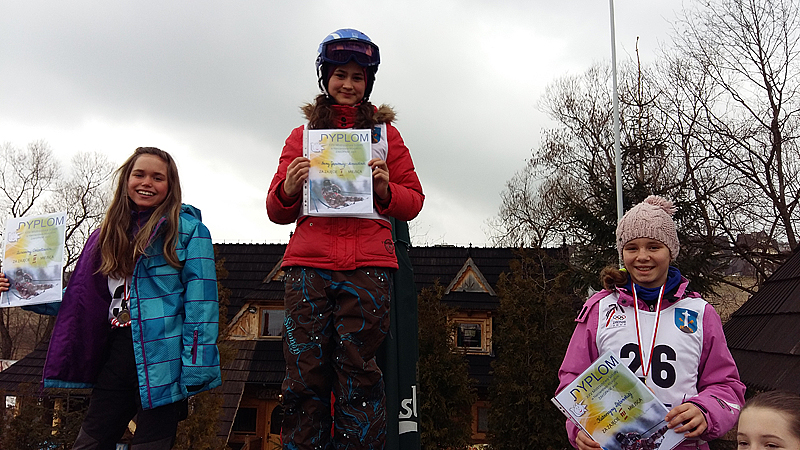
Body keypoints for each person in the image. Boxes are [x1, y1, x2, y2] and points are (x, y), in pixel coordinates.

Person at [1, 147, 222, 449]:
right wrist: (19, 289)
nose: (147, 183)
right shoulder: (104, 235)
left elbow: (202, 306)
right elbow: (78, 300)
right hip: (116, 354)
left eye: (158, 177)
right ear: (126, 180)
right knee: (89, 443)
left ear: (170, 186)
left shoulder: (189, 232)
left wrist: (196, 365)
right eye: (139, 174)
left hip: (164, 359)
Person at [266, 28, 424, 449]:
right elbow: (275, 210)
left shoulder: (386, 137)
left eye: (358, 77)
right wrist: (289, 186)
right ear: (326, 78)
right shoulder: (302, 137)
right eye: (340, 75)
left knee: (359, 373)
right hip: (309, 267)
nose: (348, 84)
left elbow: (414, 201)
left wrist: (386, 189)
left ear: (368, 83)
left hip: (367, 269)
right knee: (304, 374)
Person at [557, 195, 746, 450]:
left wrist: (706, 411)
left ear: (671, 251)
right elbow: (572, 381)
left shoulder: (700, 313)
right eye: (632, 248)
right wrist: (579, 428)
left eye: (653, 247)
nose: (642, 256)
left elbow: (726, 386)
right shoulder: (599, 310)